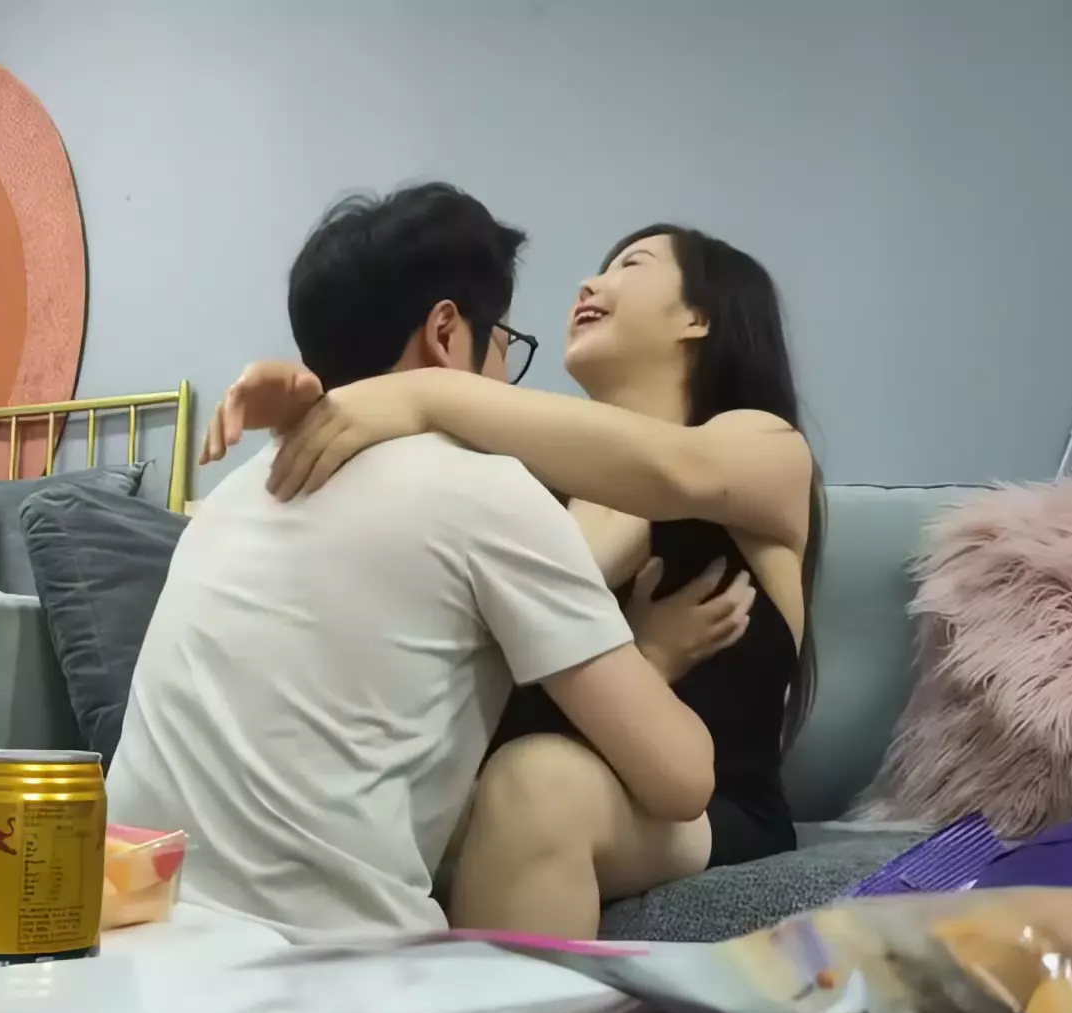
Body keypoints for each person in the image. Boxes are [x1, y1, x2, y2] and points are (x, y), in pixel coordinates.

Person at [106, 184, 729, 943]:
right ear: (445, 333)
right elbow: (680, 779)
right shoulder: (485, 490)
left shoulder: (234, 494)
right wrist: (654, 653)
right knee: (679, 826)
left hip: (125, 939)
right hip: (326, 970)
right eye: (504, 342)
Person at [206, 225, 820, 939]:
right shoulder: (527, 493)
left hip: (710, 812)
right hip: (549, 781)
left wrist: (425, 392)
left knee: (538, 785)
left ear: (698, 316)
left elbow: (680, 471)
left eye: (631, 264)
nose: (589, 284)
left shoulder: (767, 448)